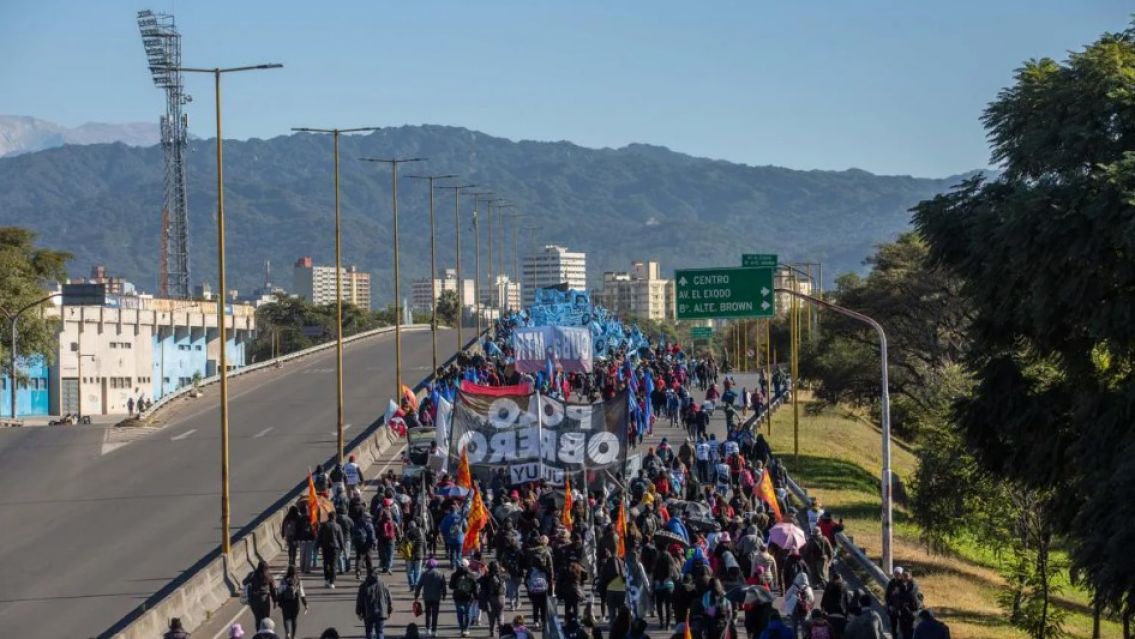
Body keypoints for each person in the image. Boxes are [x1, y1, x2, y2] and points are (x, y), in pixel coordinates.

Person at [356, 567, 394, 639]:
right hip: (381, 612)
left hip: (367, 612)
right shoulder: (383, 585)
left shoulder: (363, 586)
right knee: (379, 632)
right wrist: (389, 611)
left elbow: (360, 600)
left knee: (369, 632)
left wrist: (358, 612)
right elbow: (389, 599)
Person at [414, 558, 448, 637]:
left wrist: (416, 595)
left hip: (427, 597)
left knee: (428, 614)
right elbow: (443, 586)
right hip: (436, 597)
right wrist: (444, 595)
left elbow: (419, 586)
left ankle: (427, 629)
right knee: (435, 614)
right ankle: (434, 630)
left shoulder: (424, 574)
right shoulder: (440, 574)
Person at [277, 564, 308, 639]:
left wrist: (278, 602)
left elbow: (279, 591)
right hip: (295, 604)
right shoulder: (297, 580)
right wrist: (305, 604)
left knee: (285, 619)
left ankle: (287, 633)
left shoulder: (283, 580)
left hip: (285, 603)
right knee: (294, 620)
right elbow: (302, 593)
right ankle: (293, 636)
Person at [246, 560, 278, 632]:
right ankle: (266, 634)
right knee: (266, 619)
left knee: (257, 619)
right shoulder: (268, 576)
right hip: (264, 600)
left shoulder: (253, 575)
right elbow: (273, 590)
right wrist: (275, 601)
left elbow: (244, 582)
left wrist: (249, 576)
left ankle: (258, 633)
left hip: (254, 600)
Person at [451, 558, 479, 637]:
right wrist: (476, 596)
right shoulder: (471, 575)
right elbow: (474, 587)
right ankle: (466, 629)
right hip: (468, 597)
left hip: (457, 596)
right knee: (467, 613)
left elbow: (451, 586)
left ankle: (461, 628)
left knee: (459, 612)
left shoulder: (455, 575)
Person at [319, 512, 346, 588]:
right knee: (333, 565)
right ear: (334, 517)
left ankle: (327, 580)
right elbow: (340, 538)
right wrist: (343, 548)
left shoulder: (324, 525)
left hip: (325, 547)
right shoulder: (338, 526)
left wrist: (317, 545)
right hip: (335, 547)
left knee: (326, 563)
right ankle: (332, 582)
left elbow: (320, 536)